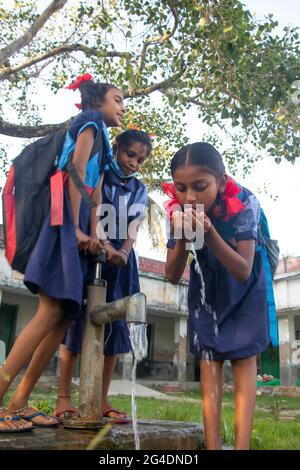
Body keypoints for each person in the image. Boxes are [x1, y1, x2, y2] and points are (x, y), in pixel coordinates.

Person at [0, 73, 125, 432]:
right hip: (61, 219)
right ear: (98, 101)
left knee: (64, 314)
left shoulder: (103, 139)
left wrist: (98, 233)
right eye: (117, 100)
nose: (121, 108)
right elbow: (73, 171)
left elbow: (96, 193)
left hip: (78, 223)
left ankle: (19, 402)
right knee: (50, 310)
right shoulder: (88, 122)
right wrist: (75, 227)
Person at [164, 142, 275, 450]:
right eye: (181, 187)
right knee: (208, 359)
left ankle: (242, 446)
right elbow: (172, 275)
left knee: (242, 359)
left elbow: (243, 268)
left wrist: (209, 233)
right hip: (206, 284)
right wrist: (185, 237)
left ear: (221, 181)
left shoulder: (244, 202)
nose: (190, 197)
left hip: (244, 286)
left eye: (200, 187)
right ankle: (212, 446)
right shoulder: (178, 211)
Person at [55, 129, 151, 423]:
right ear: (117, 147)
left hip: (122, 263)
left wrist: (123, 251)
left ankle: (102, 398)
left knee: (115, 329)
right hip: (90, 251)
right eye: (129, 154)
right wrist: (105, 245)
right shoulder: (100, 175)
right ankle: (63, 398)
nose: (133, 163)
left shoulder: (139, 189)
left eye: (140, 159)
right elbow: (90, 211)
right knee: (75, 324)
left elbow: (134, 225)